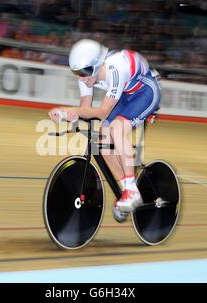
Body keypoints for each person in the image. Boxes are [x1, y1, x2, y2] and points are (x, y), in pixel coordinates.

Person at [48, 39, 161, 222]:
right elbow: (85, 107)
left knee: (116, 130)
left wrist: (72, 111)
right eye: (77, 73)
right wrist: (68, 115)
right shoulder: (86, 74)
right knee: (102, 141)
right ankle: (127, 192)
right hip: (126, 94)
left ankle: (132, 191)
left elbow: (102, 112)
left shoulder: (115, 68)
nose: (82, 78)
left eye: (84, 72)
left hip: (145, 91)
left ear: (98, 64)